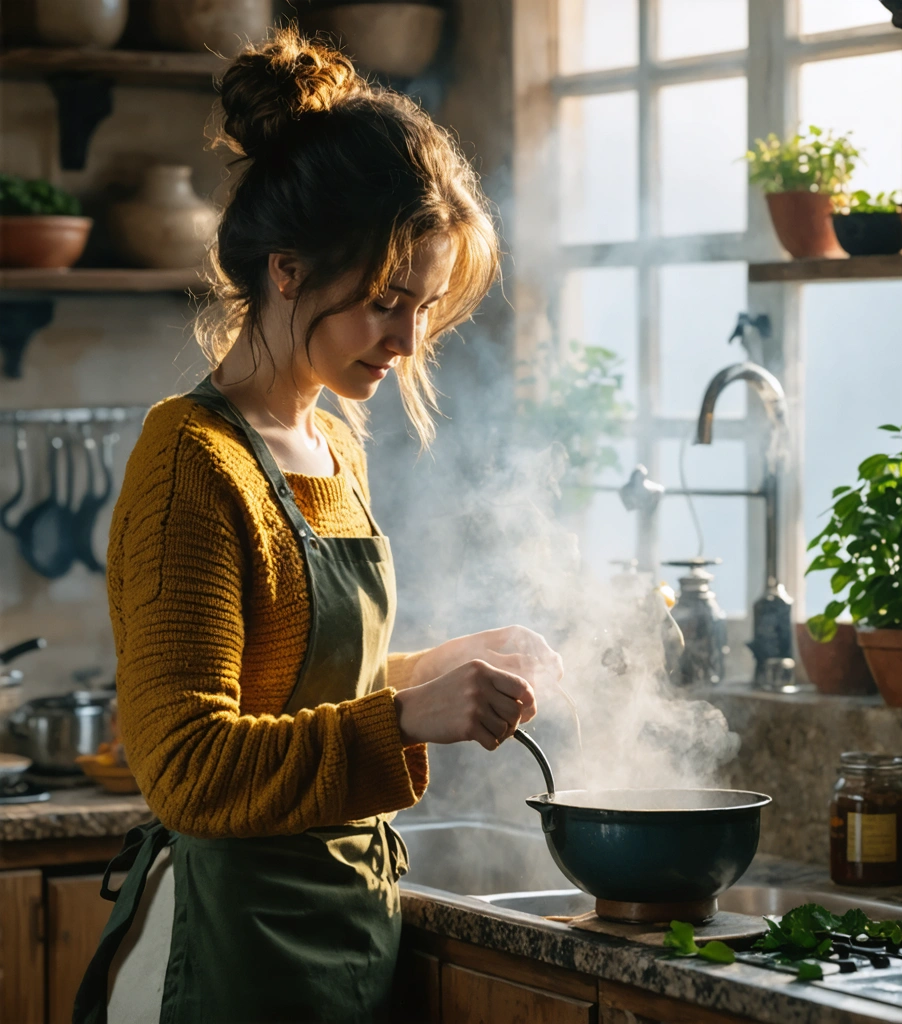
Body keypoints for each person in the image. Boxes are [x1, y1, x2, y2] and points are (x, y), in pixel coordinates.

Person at [73, 27, 562, 1024]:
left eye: (425, 305)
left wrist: (432, 671)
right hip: (220, 955)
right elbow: (188, 770)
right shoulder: (192, 463)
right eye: (387, 300)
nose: (411, 338)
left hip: (343, 933)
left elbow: (297, 683)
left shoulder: (334, 440)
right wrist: (407, 719)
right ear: (287, 269)